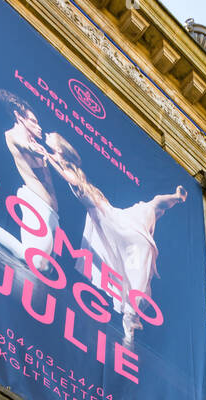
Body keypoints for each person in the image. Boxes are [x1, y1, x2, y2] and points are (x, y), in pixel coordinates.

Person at [44, 133, 187, 344]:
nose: (47, 134)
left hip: (112, 219)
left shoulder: (74, 176)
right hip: (115, 215)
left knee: (146, 222)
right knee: (151, 207)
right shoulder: (75, 171)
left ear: (59, 148)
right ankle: (131, 314)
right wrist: (51, 157)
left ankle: (131, 313)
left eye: (51, 136)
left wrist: (49, 158)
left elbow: (70, 178)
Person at [0, 90, 59, 255]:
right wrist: (41, 153)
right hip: (36, 204)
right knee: (34, 260)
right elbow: (24, 146)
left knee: (43, 268)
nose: (39, 127)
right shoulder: (12, 135)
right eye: (33, 121)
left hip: (51, 214)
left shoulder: (36, 144)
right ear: (19, 117)